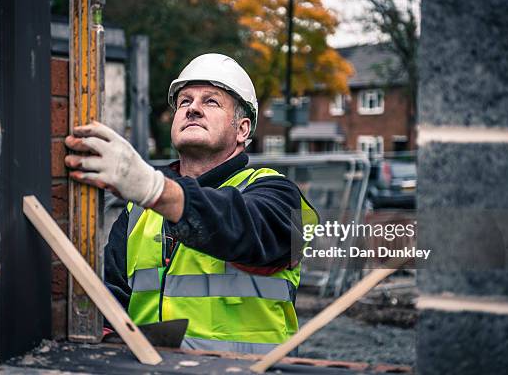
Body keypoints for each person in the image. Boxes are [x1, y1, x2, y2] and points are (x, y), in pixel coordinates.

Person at [64, 53, 318, 354]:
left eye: (211, 102)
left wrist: (154, 188)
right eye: (184, 101)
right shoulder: (138, 212)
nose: (193, 108)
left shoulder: (277, 194)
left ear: (243, 129)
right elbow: (111, 298)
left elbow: (240, 227)